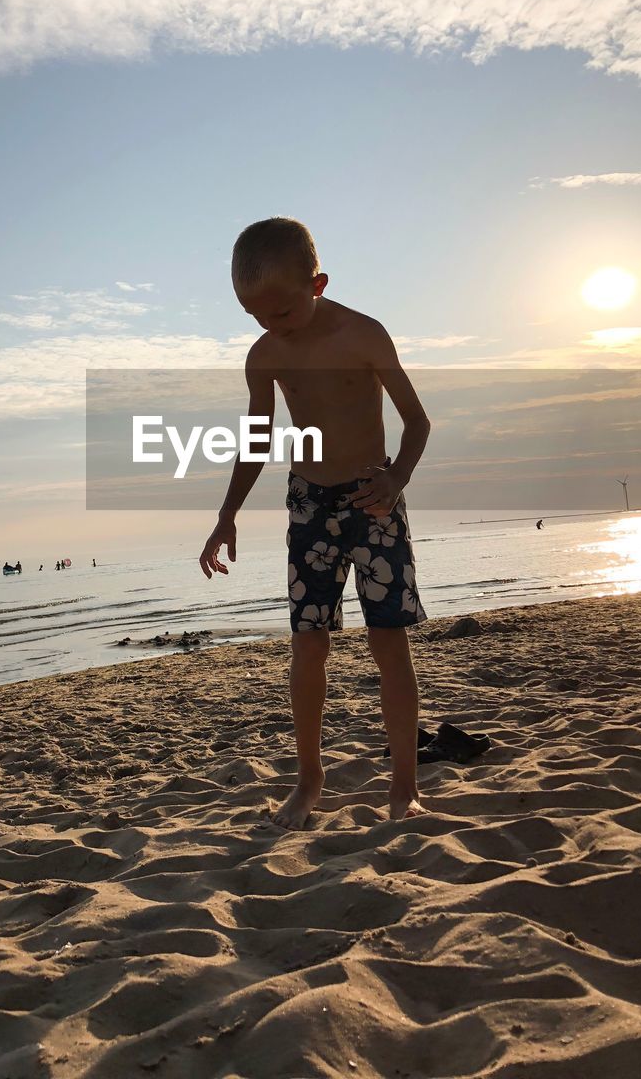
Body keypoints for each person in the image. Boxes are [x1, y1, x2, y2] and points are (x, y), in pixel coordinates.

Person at [199, 217, 431, 829]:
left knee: (389, 643)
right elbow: (254, 441)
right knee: (309, 644)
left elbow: (418, 422)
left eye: (283, 309)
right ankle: (309, 781)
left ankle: (404, 787)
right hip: (308, 506)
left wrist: (396, 479)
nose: (272, 323)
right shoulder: (265, 355)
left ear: (318, 283)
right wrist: (226, 516)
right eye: (255, 315)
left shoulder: (365, 335)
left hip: (373, 500)